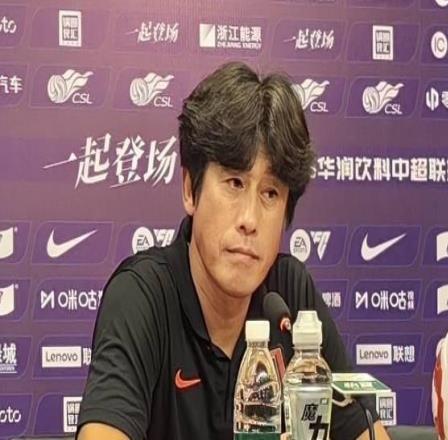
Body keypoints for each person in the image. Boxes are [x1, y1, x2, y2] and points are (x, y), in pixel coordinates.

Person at [76, 62, 390, 440]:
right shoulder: (143, 295)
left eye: (270, 193)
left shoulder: (288, 296)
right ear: (190, 190)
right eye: (235, 183)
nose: (249, 220)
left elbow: (368, 433)